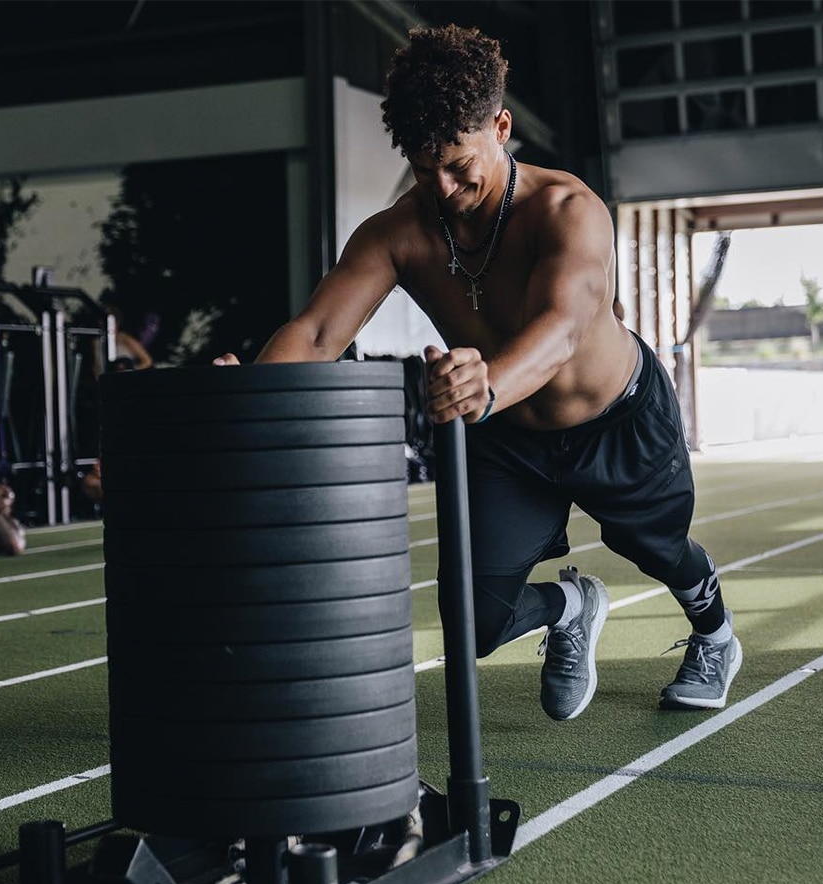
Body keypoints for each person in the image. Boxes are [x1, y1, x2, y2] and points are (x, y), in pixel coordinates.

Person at [214, 24, 741, 719]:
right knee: (474, 624)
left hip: (614, 418)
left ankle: (716, 636)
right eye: (423, 166)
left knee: (659, 549)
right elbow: (314, 334)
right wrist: (241, 398)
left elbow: (561, 329)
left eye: (459, 163)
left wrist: (487, 383)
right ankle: (570, 606)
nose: (443, 185)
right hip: (508, 441)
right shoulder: (399, 233)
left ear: (500, 126)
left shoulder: (569, 210)